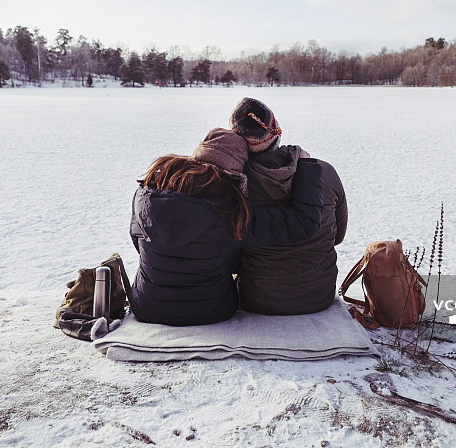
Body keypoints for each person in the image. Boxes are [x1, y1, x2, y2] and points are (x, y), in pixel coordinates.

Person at [128, 127, 325, 326]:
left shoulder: (145, 198)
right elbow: (302, 222)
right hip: (210, 311)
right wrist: (306, 165)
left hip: (147, 307)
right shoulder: (229, 213)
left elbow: (138, 244)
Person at [229, 98, 348, 315]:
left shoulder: (235, 186)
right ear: (276, 130)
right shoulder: (325, 172)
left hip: (258, 298)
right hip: (319, 296)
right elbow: (338, 236)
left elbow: (231, 254)